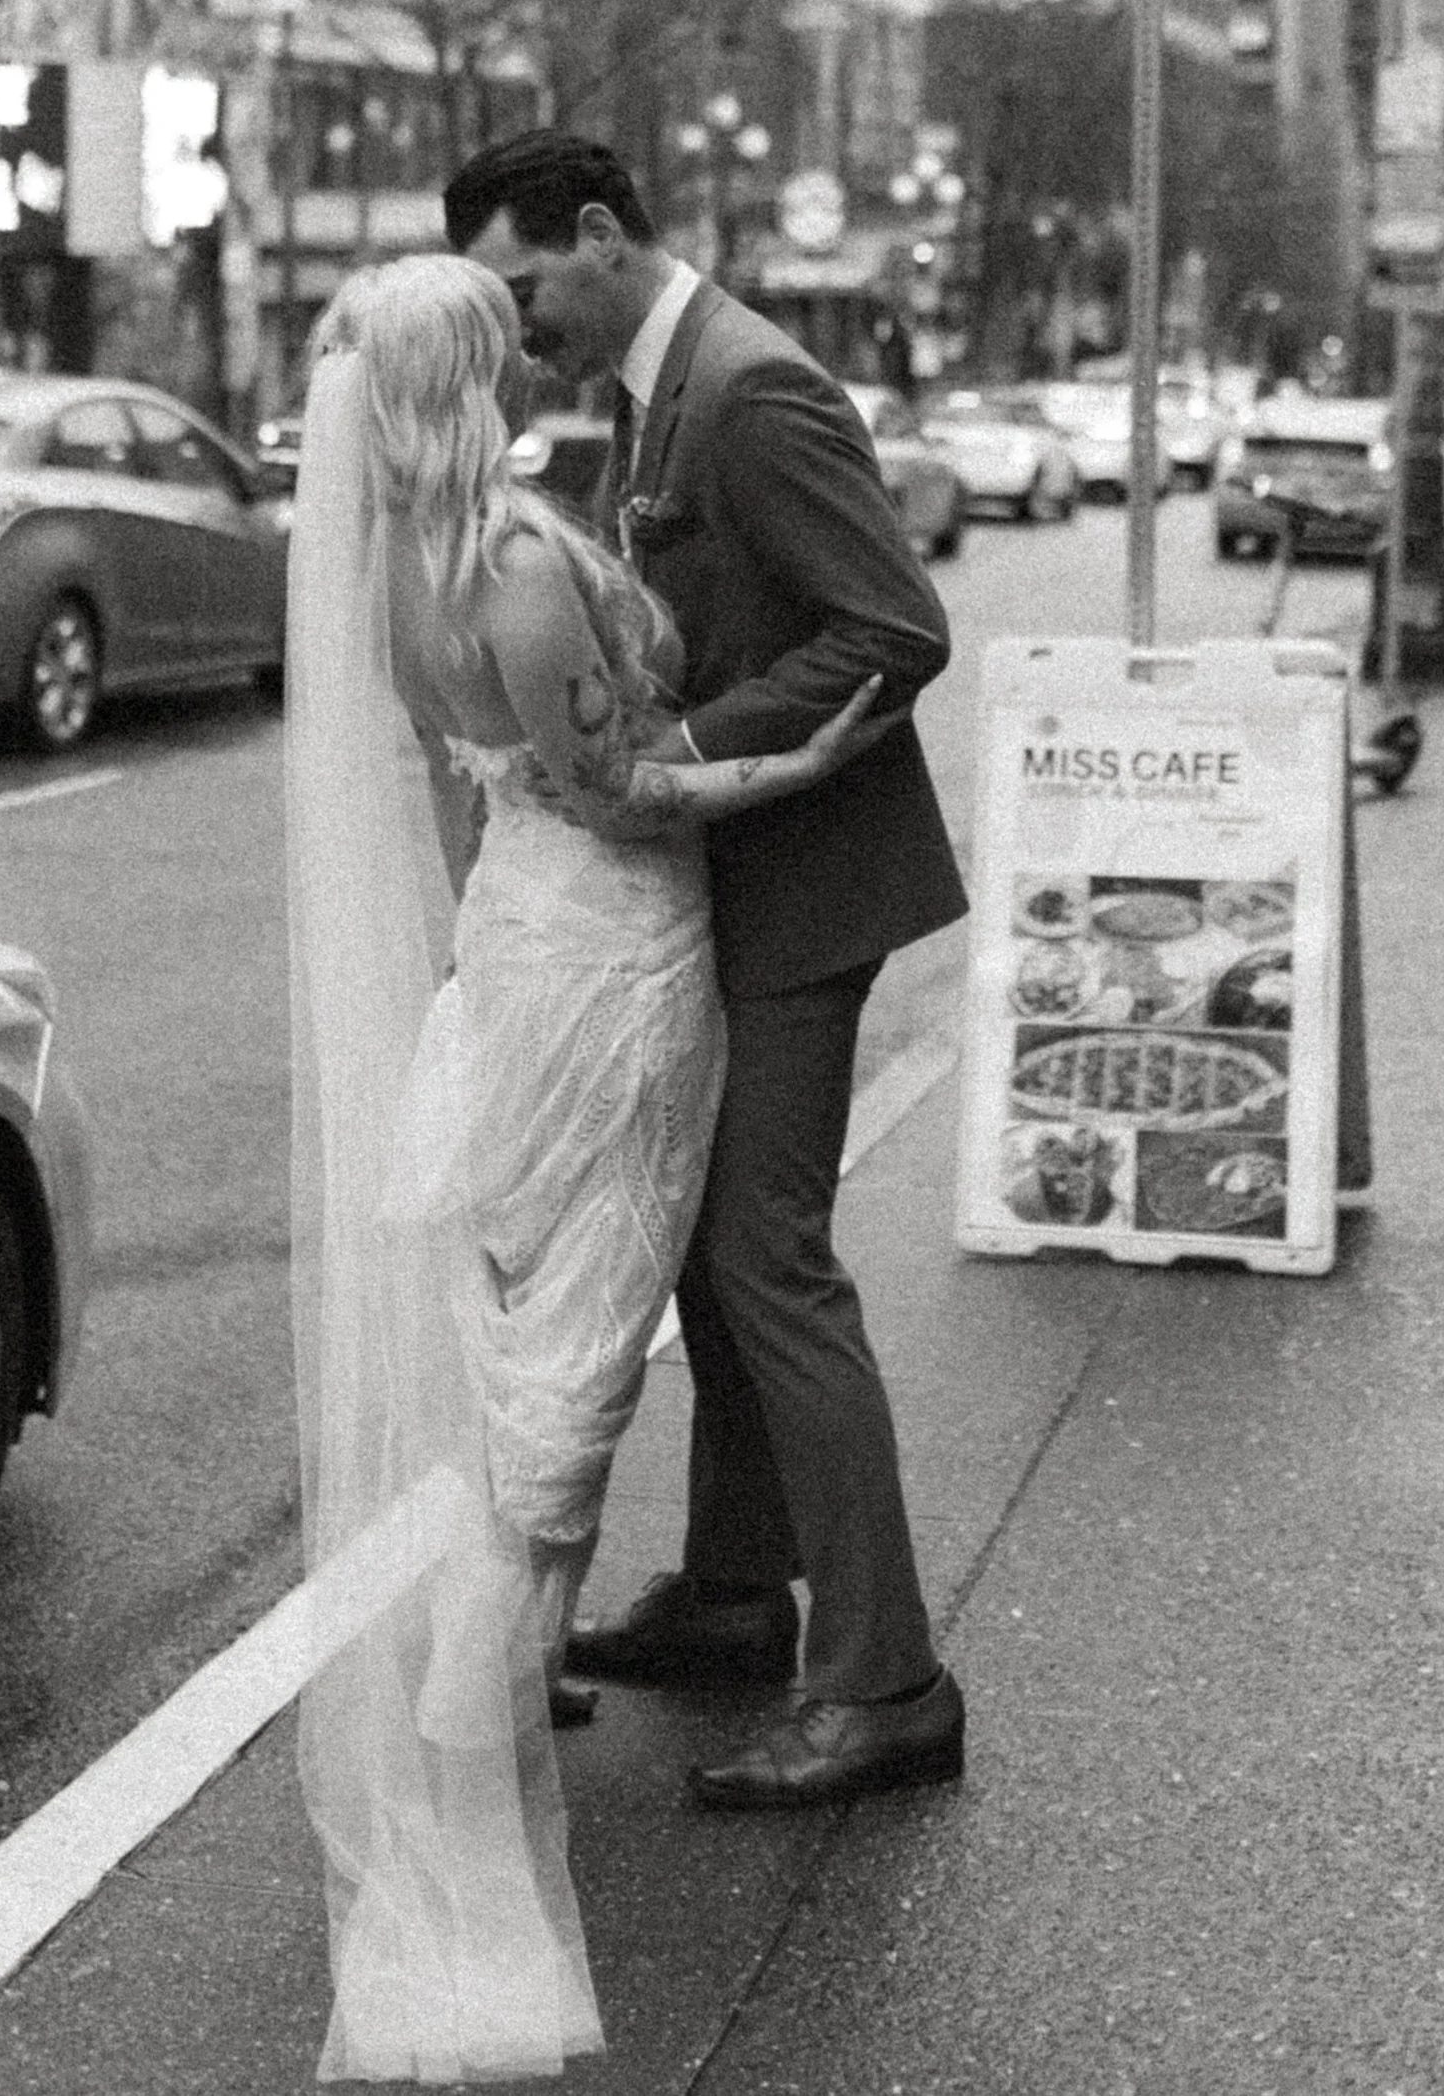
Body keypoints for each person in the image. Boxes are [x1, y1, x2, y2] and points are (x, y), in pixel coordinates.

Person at [285, 255, 885, 2085]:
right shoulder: (519, 568)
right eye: (511, 335)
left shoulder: (396, 567)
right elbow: (624, 788)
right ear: (472, 376)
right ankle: (473, 1780)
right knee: (576, 1373)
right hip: (613, 959)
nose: (543, 348)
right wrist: (806, 750)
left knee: (530, 1345)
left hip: (512, 943)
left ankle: (488, 1716)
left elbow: (493, 784)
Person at [445, 129, 969, 1819]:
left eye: (529, 283)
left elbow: (895, 627)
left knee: (767, 1259)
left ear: (600, 237)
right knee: (705, 1254)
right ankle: (739, 1592)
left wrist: (675, 746)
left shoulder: (749, 389)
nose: (520, 322)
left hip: (805, 887)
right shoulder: (660, 393)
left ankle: (887, 1677)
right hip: (725, 883)